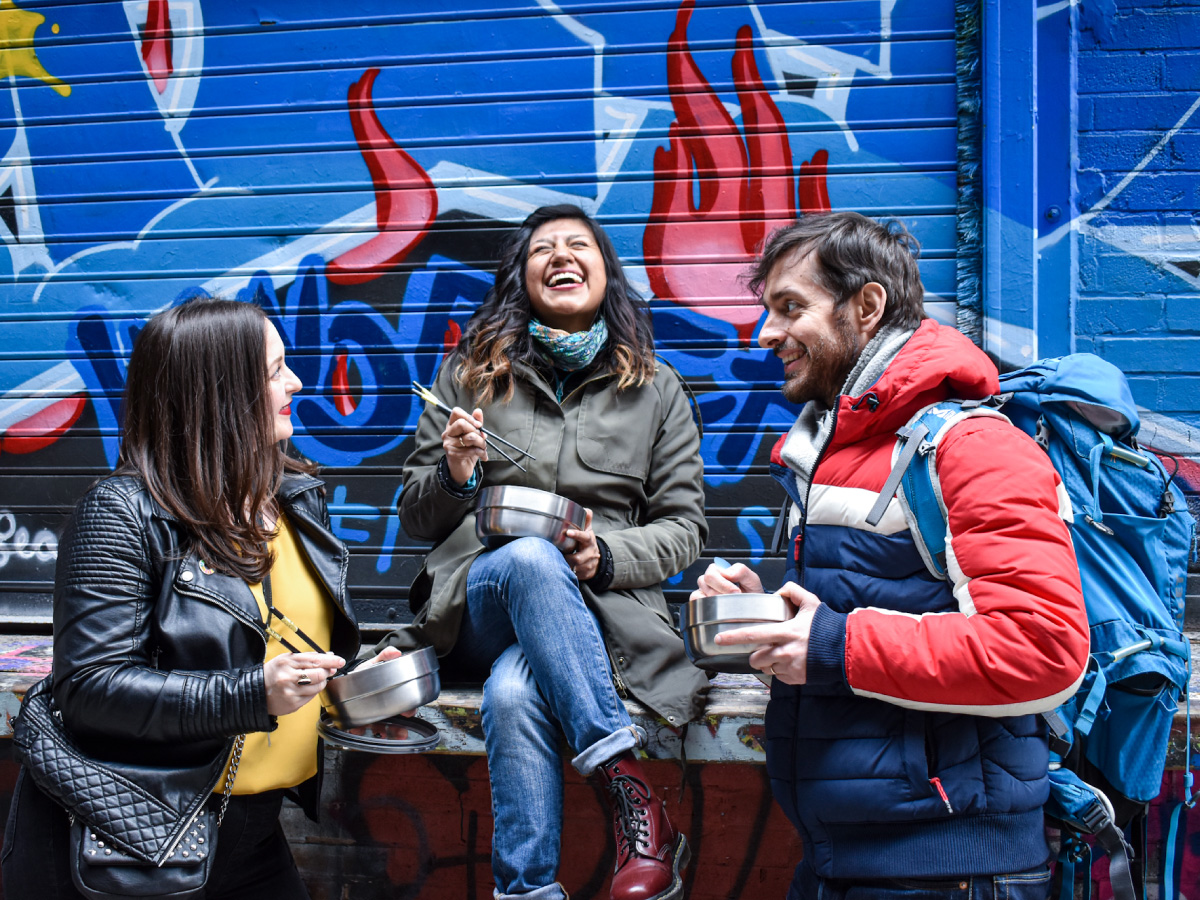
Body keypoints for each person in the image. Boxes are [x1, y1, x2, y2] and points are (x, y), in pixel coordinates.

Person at [692, 212, 1089, 900]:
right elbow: (862, 613)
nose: (767, 334)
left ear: (866, 307)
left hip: (949, 869)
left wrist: (833, 644)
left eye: (791, 308)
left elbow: (1044, 649)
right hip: (841, 859)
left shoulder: (970, 449)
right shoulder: (832, 451)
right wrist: (764, 611)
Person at [2, 297, 394, 898]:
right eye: (274, 371)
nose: (295, 381)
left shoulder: (290, 503)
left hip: (256, 832)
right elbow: (90, 688)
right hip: (144, 835)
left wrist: (352, 685)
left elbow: (273, 642)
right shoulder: (122, 514)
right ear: (222, 393)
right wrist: (254, 693)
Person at [377, 203, 708, 900]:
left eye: (578, 245)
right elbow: (415, 515)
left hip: (603, 617)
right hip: (483, 600)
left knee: (514, 689)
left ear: (606, 273)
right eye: (543, 249)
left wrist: (608, 554)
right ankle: (629, 787)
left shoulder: (656, 390)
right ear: (521, 277)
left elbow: (684, 527)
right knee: (529, 558)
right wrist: (455, 473)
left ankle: (524, 892)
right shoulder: (469, 377)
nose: (561, 256)